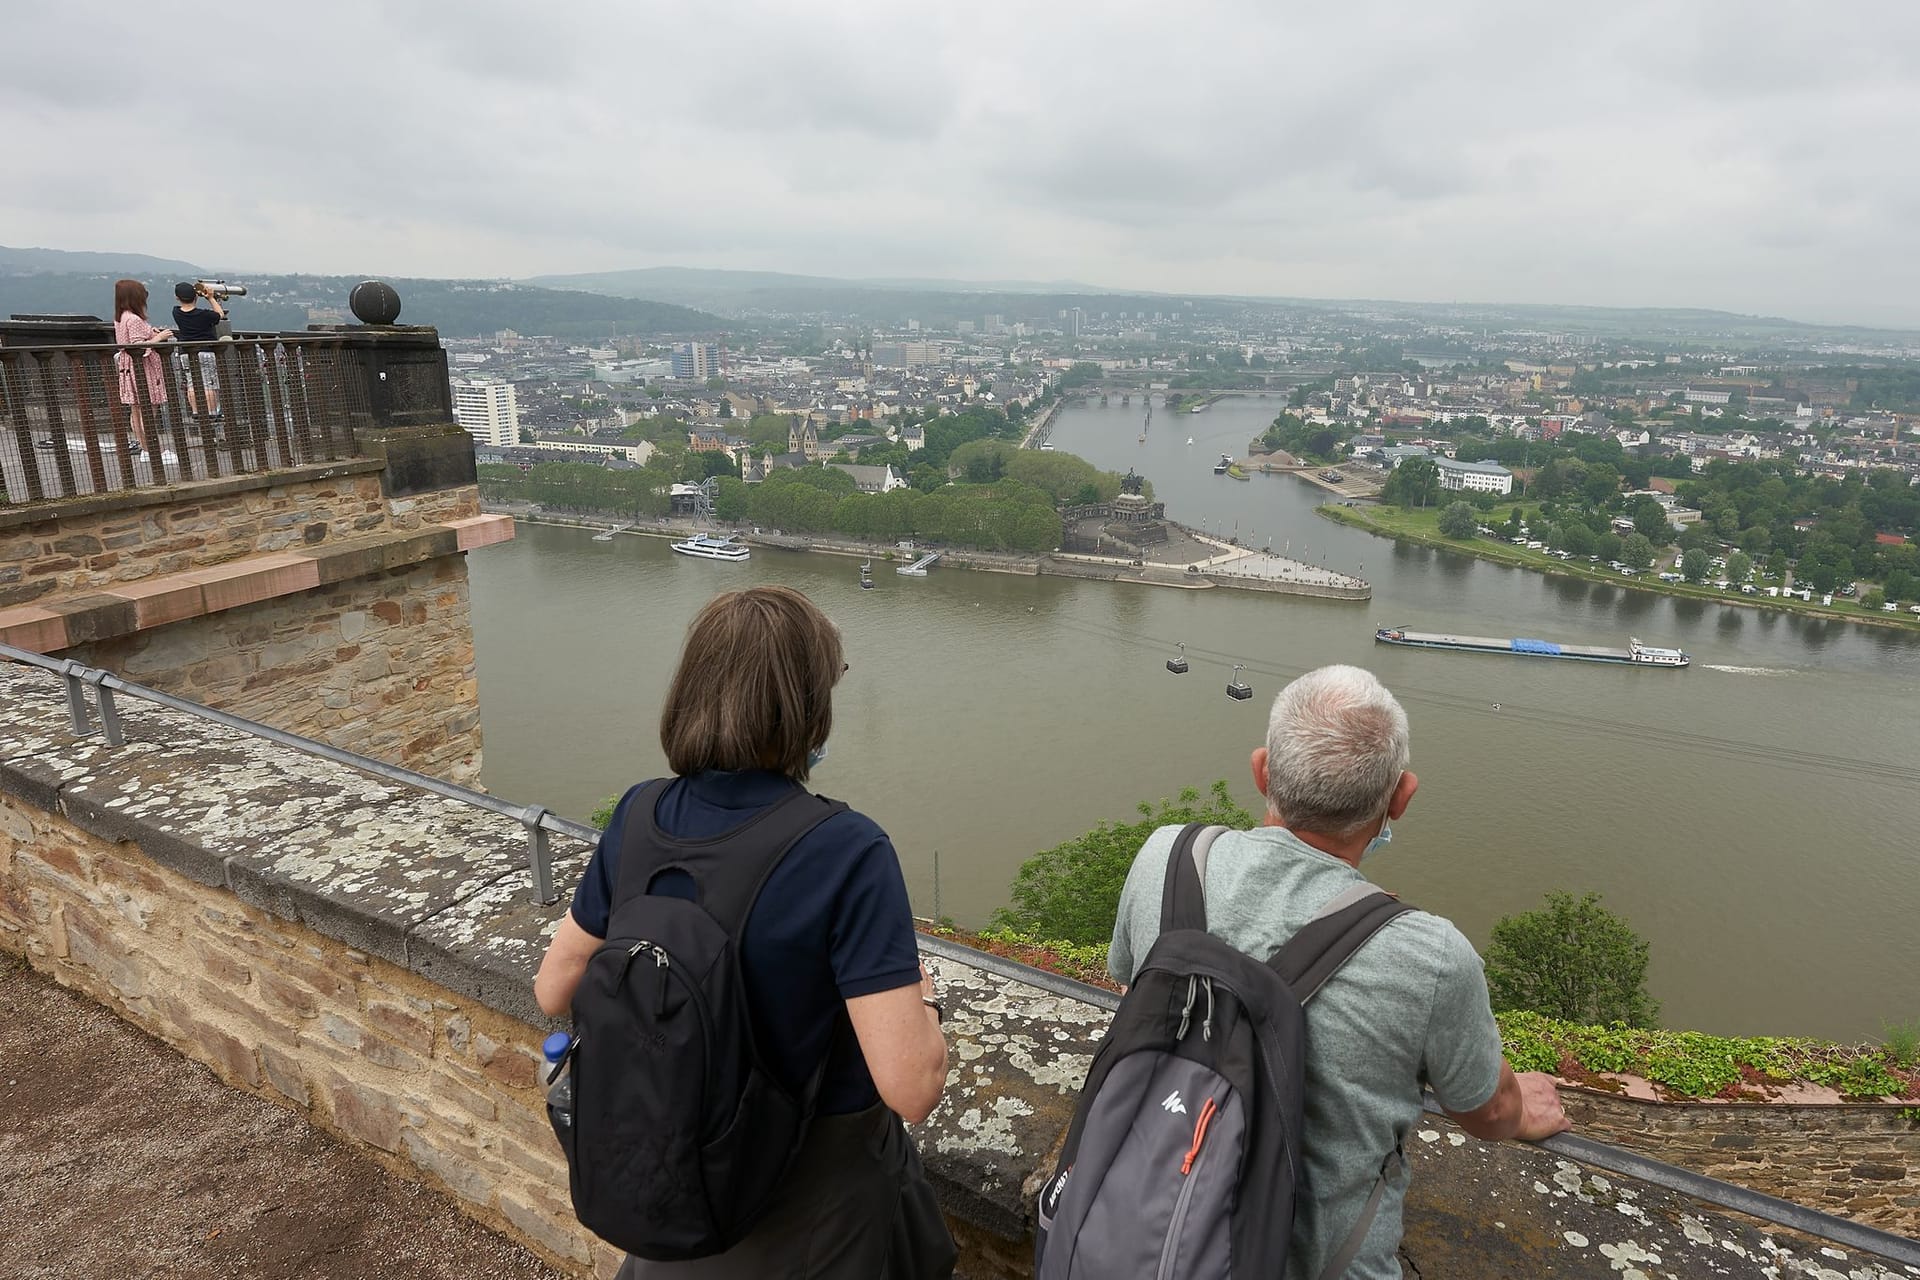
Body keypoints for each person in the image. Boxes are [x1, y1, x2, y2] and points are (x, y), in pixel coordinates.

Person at [534, 585, 954, 1279]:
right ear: (807, 708)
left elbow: (556, 988)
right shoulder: (846, 849)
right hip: (810, 1216)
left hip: (675, 1184)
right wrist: (926, 1003)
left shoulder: (640, 814)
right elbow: (911, 1088)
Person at [1107, 664, 1568, 1280]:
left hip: (1141, 1229)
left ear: (1262, 770)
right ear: (1400, 798)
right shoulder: (1429, 955)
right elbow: (1483, 1112)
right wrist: (1521, 1110)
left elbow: (1131, 984)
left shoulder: (1165, 858)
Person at [112, 279, 171, 454]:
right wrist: (158, 338)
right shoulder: (134, 319)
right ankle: (154, 450)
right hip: (142, 368)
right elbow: (138, 346)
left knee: (136, 410)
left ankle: (146, 449)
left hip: (127, 366)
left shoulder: (121, 317)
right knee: (148, 409)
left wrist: (150, 334)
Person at [170, 282, 224, 417]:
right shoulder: (204, 315)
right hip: (206, 352)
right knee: (209, 383)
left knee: (191, 382)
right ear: (196, 296)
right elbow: (220, 314)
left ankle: (196, 412)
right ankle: (212, 413)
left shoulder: (176, 312)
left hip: (186, 353)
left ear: (177, 298)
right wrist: (211, 298)